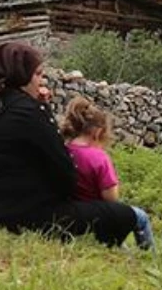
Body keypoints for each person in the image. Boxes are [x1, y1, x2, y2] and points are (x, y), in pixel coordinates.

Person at [0, 42, 138, 247]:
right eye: (37, 74)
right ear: (19, 74)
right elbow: (65, 173)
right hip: (23, 218)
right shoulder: (28, 111)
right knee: (124, 215)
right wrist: (43, 109)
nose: (41, 82)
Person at [60, 97, 155, 250]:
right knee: (141, 217)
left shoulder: (64, 150)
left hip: (73, 211)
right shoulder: (98, 157)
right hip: (99, 212)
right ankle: (150, 255)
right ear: (97, 132)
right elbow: (111, 198)